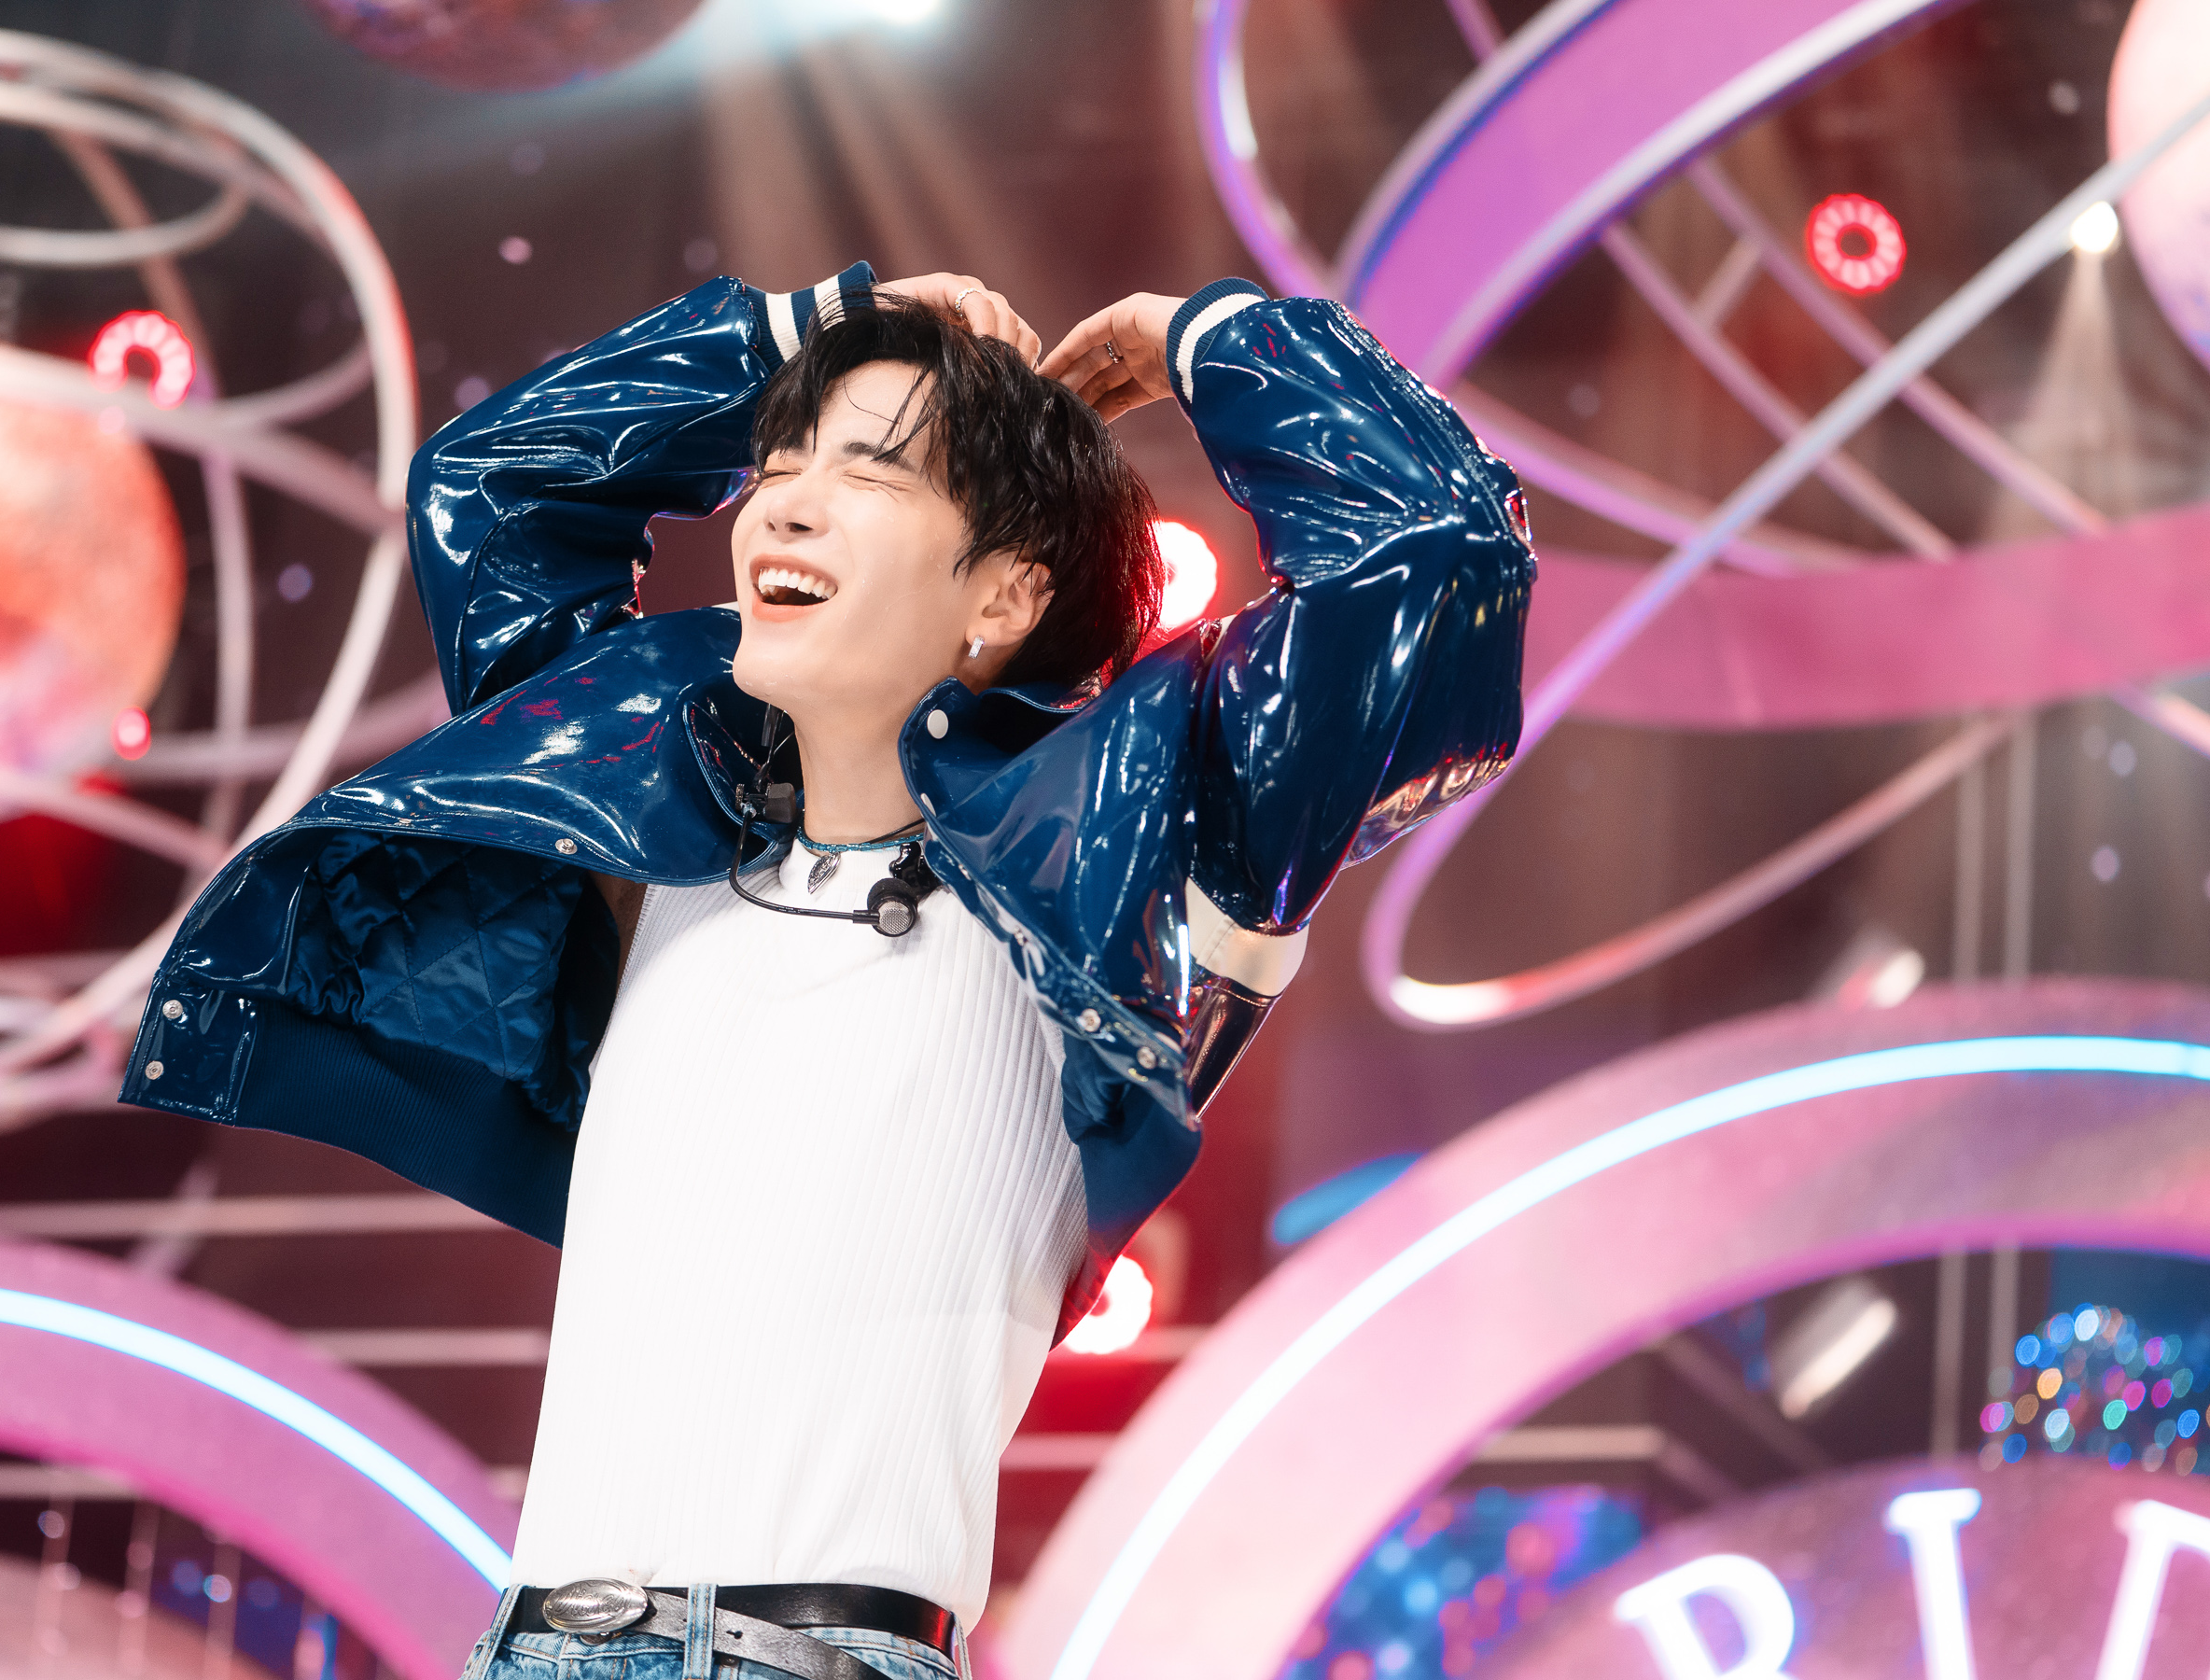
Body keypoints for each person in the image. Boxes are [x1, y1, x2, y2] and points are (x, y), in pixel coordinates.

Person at [120, 261, 1533, 1680]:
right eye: (778, 465)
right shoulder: (640, 821)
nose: (782, 506)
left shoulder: (1136, 852)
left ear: (1005, 595)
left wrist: (1207, 339)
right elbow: (490, 490)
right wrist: (790, 331)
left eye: (869, 471)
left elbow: (1437, 555)